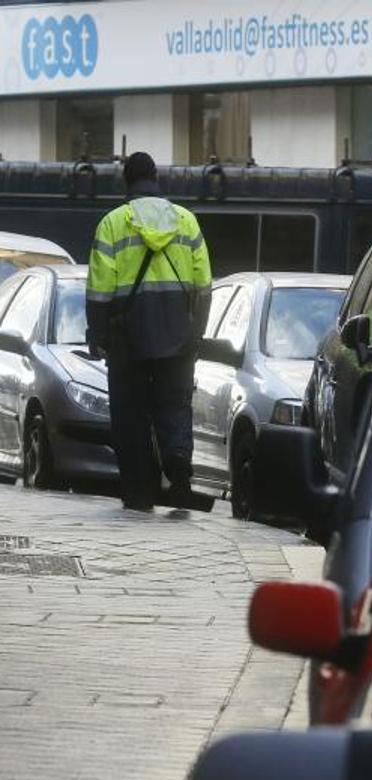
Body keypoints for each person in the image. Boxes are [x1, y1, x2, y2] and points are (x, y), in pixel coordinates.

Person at [86, 152, 212, 511]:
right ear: (156, 177)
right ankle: (179, 470)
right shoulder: (186, 222)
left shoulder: (112, 224)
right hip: (178, 336)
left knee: (130, 416)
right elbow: (203, 285)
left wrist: (98, 335)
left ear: (126, 181)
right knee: (174, 407)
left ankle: (139, 493)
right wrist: (195, 333)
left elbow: (99, 289)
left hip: (127, 338)